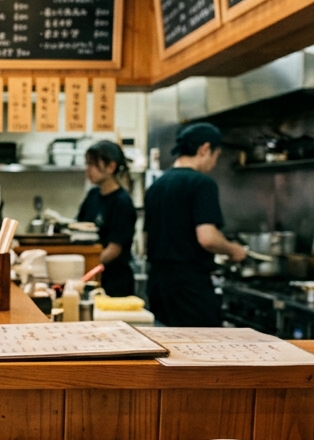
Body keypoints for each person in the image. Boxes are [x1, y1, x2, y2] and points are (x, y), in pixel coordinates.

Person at [143, 122, 247, 327]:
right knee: (203, 350)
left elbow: (147, 238)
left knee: (169, 347)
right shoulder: (201, 183)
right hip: (189, 286)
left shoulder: (157, 185)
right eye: (216, 156)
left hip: (157, 283)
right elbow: (207, 237)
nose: (214, 164)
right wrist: (233, 250)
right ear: (205, 149)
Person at [76, 140, 138, 298]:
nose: (88, 169)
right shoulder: (93, 195)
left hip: (114, 280)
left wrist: (88, 266)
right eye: (87, 164)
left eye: (93, 164)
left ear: (111, 167)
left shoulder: (122, 201)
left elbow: (114, 249)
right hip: (93, 275)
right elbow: (79, 228)